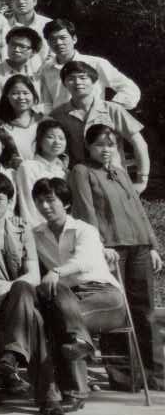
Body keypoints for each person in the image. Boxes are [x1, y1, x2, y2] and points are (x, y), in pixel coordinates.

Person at [69, 125, 164, 389]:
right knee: (117, 310)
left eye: (110, 144)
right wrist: (98, 245)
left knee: (145, 310)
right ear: (88, 147)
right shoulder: (82, 171)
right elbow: (86, 210)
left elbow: (139, 211)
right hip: (111, 249)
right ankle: (124, 377)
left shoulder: (120, 172)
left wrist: (153, 245)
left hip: (139, 246)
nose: (106, 149)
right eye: (99, 144)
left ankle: (154, 375)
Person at [0, 171, 62, 415]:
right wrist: (13, 288)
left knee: (34, 317)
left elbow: (34, 275)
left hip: (17, 301)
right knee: (32, 312)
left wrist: (12, 288)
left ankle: (13, 356)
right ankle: (47, 394)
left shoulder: (22, 228)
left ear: (10, 201)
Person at [31, 177, 126, 411]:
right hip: (68, 298)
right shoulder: (36, 234)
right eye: (39, 201)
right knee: (57, 313)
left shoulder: (85, 230)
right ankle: (80, 348)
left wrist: (56, 271)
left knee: (60, 320)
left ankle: (73, 391)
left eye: (50, 200)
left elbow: (84, 260)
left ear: (65, 203)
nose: (45, 206)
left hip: (103, 296)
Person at [49, 60, 150, 174]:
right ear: (64, 83)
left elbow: (139, 143)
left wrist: (142, 177)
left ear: (93, 81)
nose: (77, 82)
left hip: (113, 176)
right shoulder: (57, 115)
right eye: (71, 78)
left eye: (83, 77)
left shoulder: (112, 109)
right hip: (78, 177)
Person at [39, 19, 140, 111]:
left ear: (74, 39)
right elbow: (46, 102)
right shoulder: (46, 69)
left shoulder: (95, 63)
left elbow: (130, 88)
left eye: (63, 38)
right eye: (52, 39)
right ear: (48, 43)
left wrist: (111, 108)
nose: (58, 43)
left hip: (94, 122)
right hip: (60, 123)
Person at [14, 119, 69, 229]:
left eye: (61, 138)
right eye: (50, 137)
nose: (57, 142)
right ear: (39, 140)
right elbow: (28, 205)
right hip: (38, 230)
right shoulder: (28, 167)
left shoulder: (63, 171)